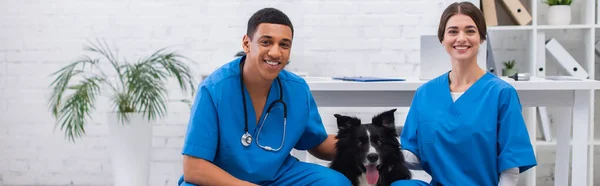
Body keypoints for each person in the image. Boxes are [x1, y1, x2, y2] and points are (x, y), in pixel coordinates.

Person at [177, 7, 351, 186]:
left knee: (335, 182)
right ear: (246, 44)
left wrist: (367, 144)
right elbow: (193, 167)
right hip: (224, 179)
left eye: (284, 44)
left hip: (278, 176)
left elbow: (317, 143)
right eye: (266, 42)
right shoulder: (214, 89)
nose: (275, 52)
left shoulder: (297, 90)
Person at [396, 2, 537, 186]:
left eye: (470, 31)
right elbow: (412, 156)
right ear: (442, 38)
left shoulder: (501, 93)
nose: (461, 38)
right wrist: (373, 149)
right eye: (453, 31)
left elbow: (511, 167)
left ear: (482, 37)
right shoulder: (425, 93)